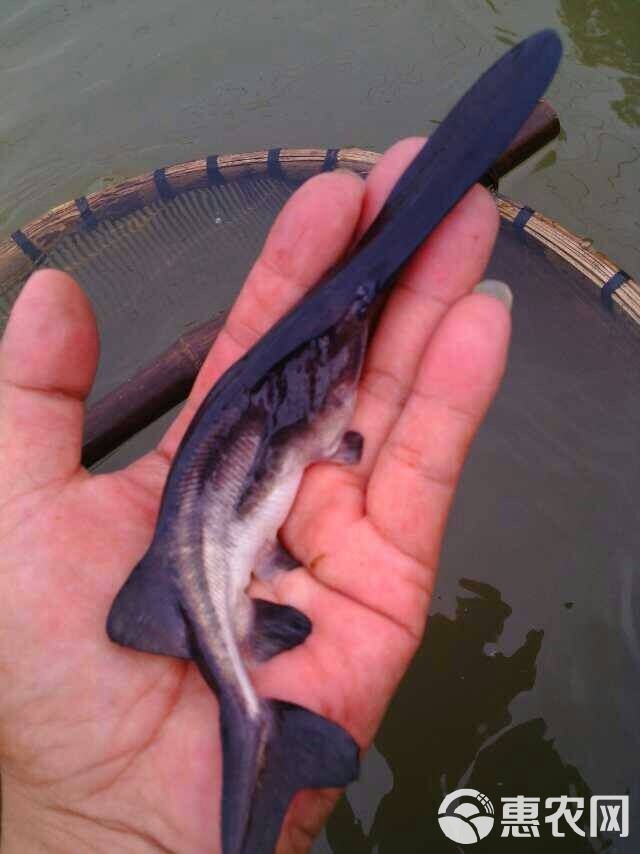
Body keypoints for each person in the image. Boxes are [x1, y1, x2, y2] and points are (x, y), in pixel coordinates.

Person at [0, 138, 511, 853]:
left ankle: (255, 728)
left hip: (225, 551)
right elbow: (312, 427)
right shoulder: (309, 415)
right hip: (216, 562)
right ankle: (258, 730)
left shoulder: (300, 418)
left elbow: (306, 428)